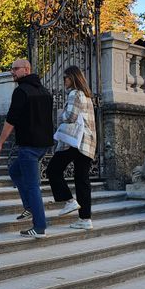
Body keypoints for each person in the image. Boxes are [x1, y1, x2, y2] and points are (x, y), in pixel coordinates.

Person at [0, 59, 54, 239]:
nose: (12, 72)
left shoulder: (21, 91)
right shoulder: (44, 91)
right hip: (43, 145)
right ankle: (29, 207)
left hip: (29, 147)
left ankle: (40, 226)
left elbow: (10, 120)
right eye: (11, 68)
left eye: (15, 69)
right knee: (14, 171)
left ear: (26, 70)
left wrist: (0, 143)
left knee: (33, 186)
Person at [46, 65, 97, 230]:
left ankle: (69, 201)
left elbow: (71, 116)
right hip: (88, 142)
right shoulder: (87, 96)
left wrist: (60, 115)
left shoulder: (75, 93)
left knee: (53, 170)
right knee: (82, 180)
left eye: (65, 78)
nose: (64, 81)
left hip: (75, 142)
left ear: (73, 78)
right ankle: (85, 219)